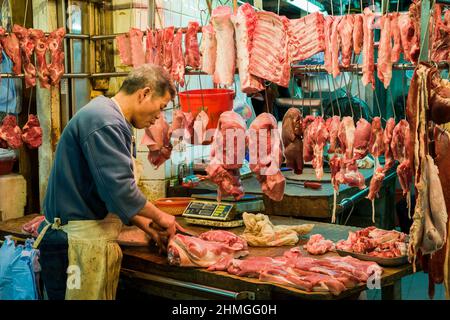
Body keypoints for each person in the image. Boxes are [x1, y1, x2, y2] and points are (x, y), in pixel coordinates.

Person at [35, 64, 181, 300]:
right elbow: (120, 191)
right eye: (160, 107)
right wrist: (161, 217)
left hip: (82, 240)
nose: (158, 118)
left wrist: (148, 227)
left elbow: (107, 190)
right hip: (73, 245)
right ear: (143, 93)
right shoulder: (106, 121)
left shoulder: (108, 116)